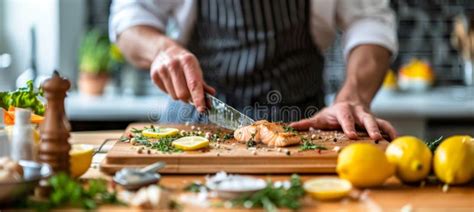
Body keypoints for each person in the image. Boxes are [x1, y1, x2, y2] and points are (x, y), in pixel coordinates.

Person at [109, 0, 398, 140]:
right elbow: (129, 19)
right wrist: (162, 49)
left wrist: (353, 96)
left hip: (304, 126)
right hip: (196, 121)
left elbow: (370, 22)